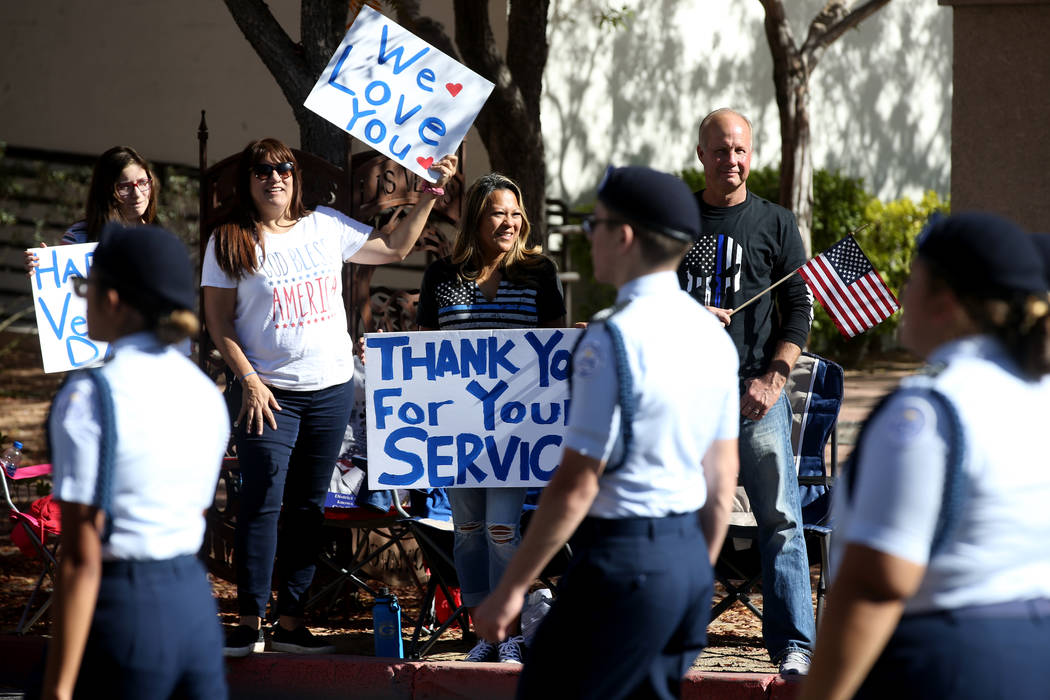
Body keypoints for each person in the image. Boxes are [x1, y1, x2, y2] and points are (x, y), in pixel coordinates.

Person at [473, 165, 740, 699]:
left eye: (594, 224)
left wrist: (511, 588)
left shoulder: (610, 337)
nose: (588, 236)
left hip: (624, 562)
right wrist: (691, 569)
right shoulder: (714, 339)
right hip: (685, 559)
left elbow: (576, 483)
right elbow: (722, 478)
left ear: (622, 236)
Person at [201, 137, 457, 657]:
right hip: (268, 394)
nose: (275, 179)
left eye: (284, 170)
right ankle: (250, 621)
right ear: (248, 182)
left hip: (331, 391)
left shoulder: (324, 226)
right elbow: (217, 321)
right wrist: (247, 378)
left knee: (307, 509)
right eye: (263, 171)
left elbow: (393, 249)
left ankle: (291, 622)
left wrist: (429, 193)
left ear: (295, 178)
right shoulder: (229, 240)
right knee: (261, 505)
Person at [801, 213, 1050, 700]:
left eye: (914, 278)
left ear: (945, 299)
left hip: (945, 666)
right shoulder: (1036, 394)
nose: (902, 294)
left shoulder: (926, 413)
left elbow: (876, 584)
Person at [42, 224, 230, 699]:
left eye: (86, 288)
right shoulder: (204, 393)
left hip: (124, 607)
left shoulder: (88, 395)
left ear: (112, 299)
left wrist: (58, 688)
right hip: (193, 604)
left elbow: (82, 558)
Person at [677, 108, 815, 674]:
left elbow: (800, 311)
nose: (730, 160)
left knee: (780, 519)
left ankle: (794, 644)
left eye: (739, 149)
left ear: (750, 154)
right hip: (684, 397)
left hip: (757, 395)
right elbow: (643, 293)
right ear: (701, 155)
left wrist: (774, 378)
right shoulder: (674, 219)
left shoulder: (777, 224)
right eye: (719, 150)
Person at [415, 173, 566, 664]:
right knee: (468, 530)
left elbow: (551, 344)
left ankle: (510, 624)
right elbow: (422, 349)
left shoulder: (539, 271)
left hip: (514, 430)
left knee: (503, 529)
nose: (509, 222)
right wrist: (381, 356)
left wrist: (573, 341)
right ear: (476, 218)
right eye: (498, 212)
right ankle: (482, 632)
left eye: (514, 212)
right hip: (457, 428)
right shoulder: (441, 276)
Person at [24, 146, 159, 274]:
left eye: (143, 183)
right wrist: (45, 268)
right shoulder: (79, 236)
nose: (137, 194)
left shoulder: (159, 240)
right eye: (125, 187)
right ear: (106, 191)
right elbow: (63, 290)